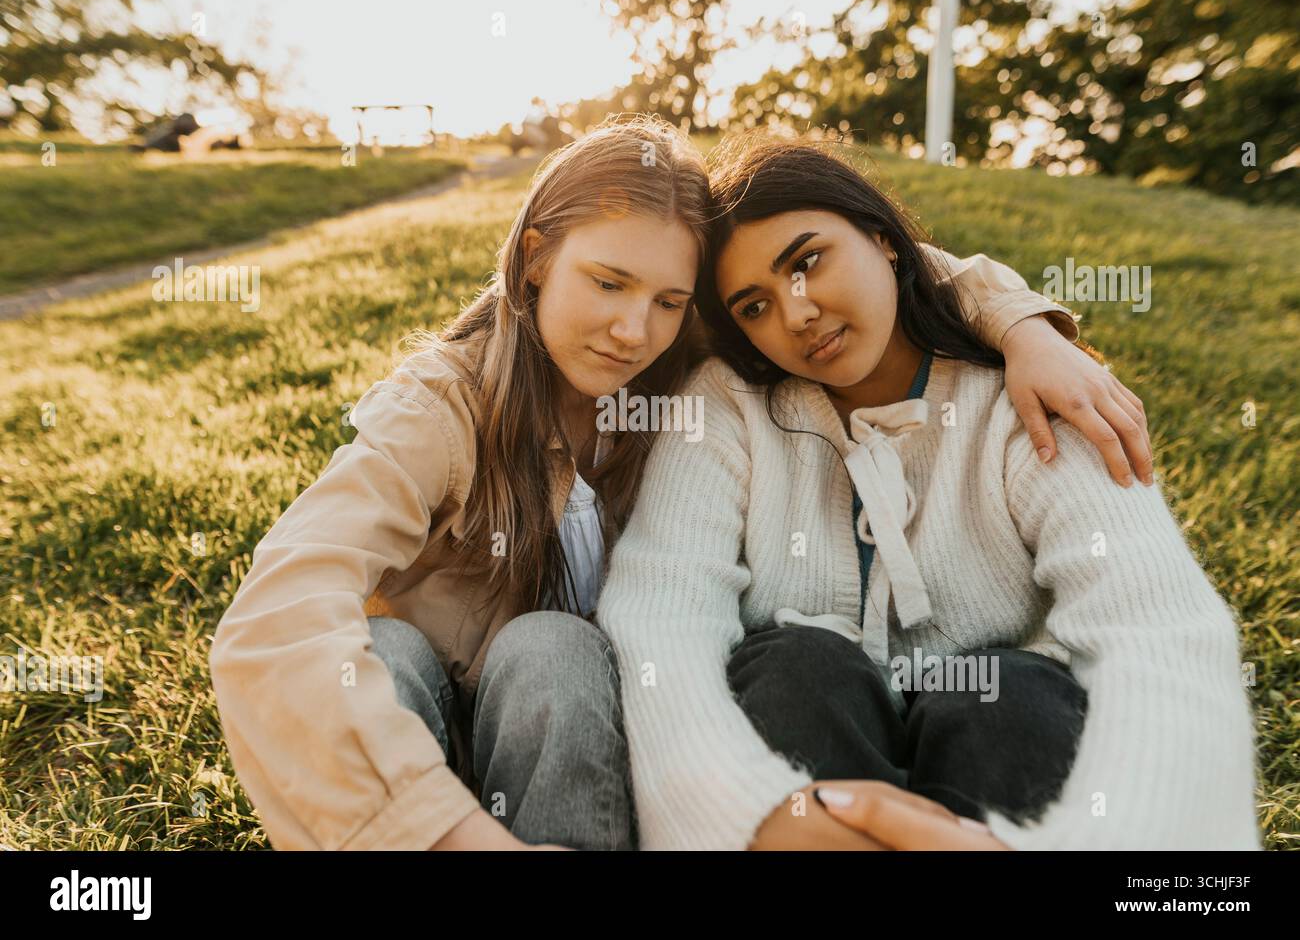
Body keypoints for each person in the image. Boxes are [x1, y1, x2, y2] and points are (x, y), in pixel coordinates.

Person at [209, 116, 1160, 851]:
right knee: (384, 649)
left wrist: (1024, 326)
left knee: (556, 650)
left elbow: (876, 263)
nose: (634, 328)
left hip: (574, 728)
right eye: (607, 282)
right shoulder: (442, 406)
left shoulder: (675, 375)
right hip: (417, 741)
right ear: (536, 256)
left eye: (669, 299)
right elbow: (279, 612)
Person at [596, 133, 1260, 851]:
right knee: (796, 663)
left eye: (808, 262)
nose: (796, 315)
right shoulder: (728, 404)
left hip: (1004, 751)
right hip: (805, 746)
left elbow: (1157, 627)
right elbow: (663, 615)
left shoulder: (1031, 391)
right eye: (752, 307)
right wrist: (747, 816)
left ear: (882, 237)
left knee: (1006, 689)